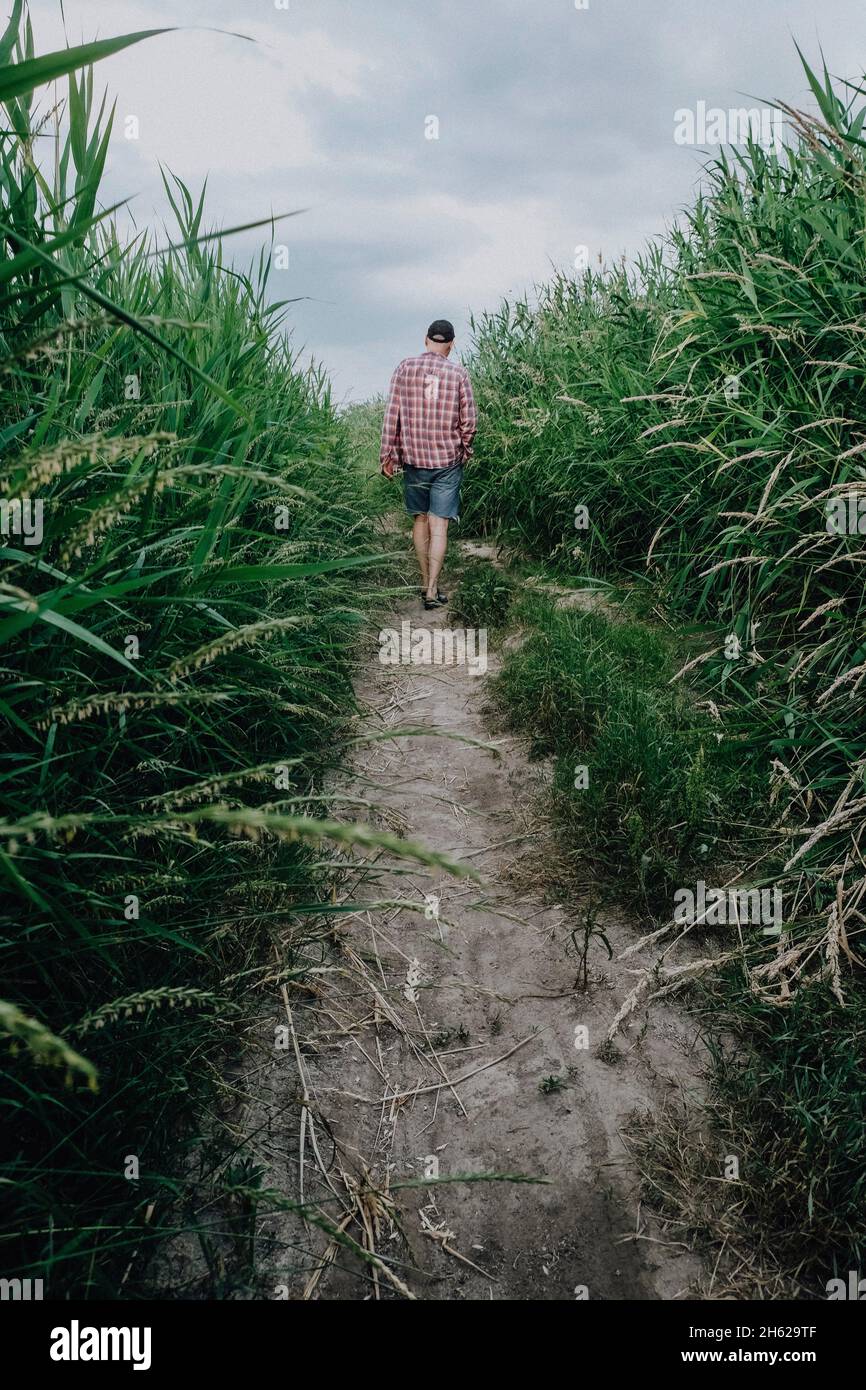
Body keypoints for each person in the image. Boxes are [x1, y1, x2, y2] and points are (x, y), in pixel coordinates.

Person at [380, 319, 477, 610]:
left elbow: (392, 414)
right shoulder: (459, 373)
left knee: (420, 520)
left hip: (414, 460)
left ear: (426, 340)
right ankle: (433, 589)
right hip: (447, 460)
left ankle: (424, 584)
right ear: (451, 344)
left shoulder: (404, 368)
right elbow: (469, 421)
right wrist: (464, 449)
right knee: (440, 526)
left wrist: (388, 455)